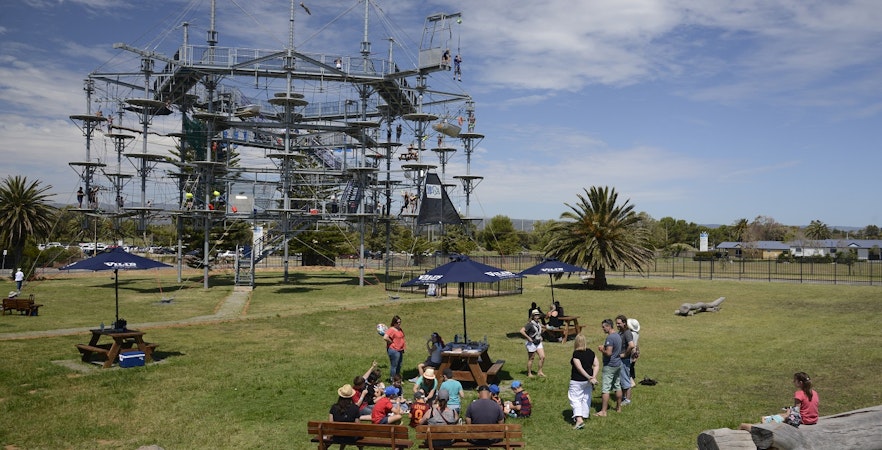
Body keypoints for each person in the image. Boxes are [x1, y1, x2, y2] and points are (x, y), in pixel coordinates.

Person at [740, 372, 819, 431]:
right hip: (813, 420)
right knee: (784, 414)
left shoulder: (799, 394)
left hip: (803, 420)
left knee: (784, 416)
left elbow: (796, 412)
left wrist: (788, 412)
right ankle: (767, 418)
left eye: (795, 381)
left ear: (800, 383)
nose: (793, 382)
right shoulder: (815, 393)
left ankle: (766, 421)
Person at [569, 334, 599, 429]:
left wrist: (589, 377)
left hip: (577, 380)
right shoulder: (590, 352)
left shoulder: (576, 354)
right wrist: (593, 377)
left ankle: (579, 419)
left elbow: (579, 368)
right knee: (586, 397)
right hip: (588, 382)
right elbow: (596, 364)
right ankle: (584, 415)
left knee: (575, 398)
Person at [595, 318, 622, 417]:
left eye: (603, 327)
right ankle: (618, 408)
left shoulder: (610, 338)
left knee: (606, 389)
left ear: (608, 326)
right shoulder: (618, 336)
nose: (603, 329)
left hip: (610, 365)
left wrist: (602, 350)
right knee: (617, 386)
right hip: (618, 364)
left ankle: (603, 411)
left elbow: (609, 353)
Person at [328, 384, 361, 448]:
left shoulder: (334, 407)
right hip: (351, 437)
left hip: (336, 436)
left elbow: (330, 424)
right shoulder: (355, 408)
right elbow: (358, 426)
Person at [616, 315, 636, 405]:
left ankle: (627, 400)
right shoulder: (621, 332)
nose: (617, 325)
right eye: (616, 323)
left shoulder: (627, 333)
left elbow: (631, 345)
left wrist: (625, 354)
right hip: (620, 359)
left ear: (624, 323)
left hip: (624, 360)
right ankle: (624, 397)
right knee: (621, 379)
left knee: (625, 379)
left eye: (619, 323)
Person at [520, 309, 546, 377]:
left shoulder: (538, 323)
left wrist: (541, 335)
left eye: (538, 315)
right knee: (531, 358)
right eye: (536, 315)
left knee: (542, 357)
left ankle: (540, 371)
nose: (537, 316)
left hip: (538, 342)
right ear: (533, 316)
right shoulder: (530, 324)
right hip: (531, 343)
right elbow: (522, 331)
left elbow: (542, 329)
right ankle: (529, 373)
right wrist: (528, 338)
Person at [384, 315, 406, 381]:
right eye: (398, 322)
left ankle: (398, 379)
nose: (399, 323)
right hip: (394, 350)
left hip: (400, 350)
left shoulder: (400, 329)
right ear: (394, 322)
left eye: (400, 322)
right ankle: (393, 379)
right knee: (394, 366)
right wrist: (391, 342)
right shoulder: (391, 329)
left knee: (399, 365)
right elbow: (385, 337)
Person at [627, 318, 641, 388]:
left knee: (627, 367)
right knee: (632, 366)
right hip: (635, 351)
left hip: (631, 352)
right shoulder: (637, 333)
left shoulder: (630, 334)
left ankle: (631, 382)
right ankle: (632, 379)